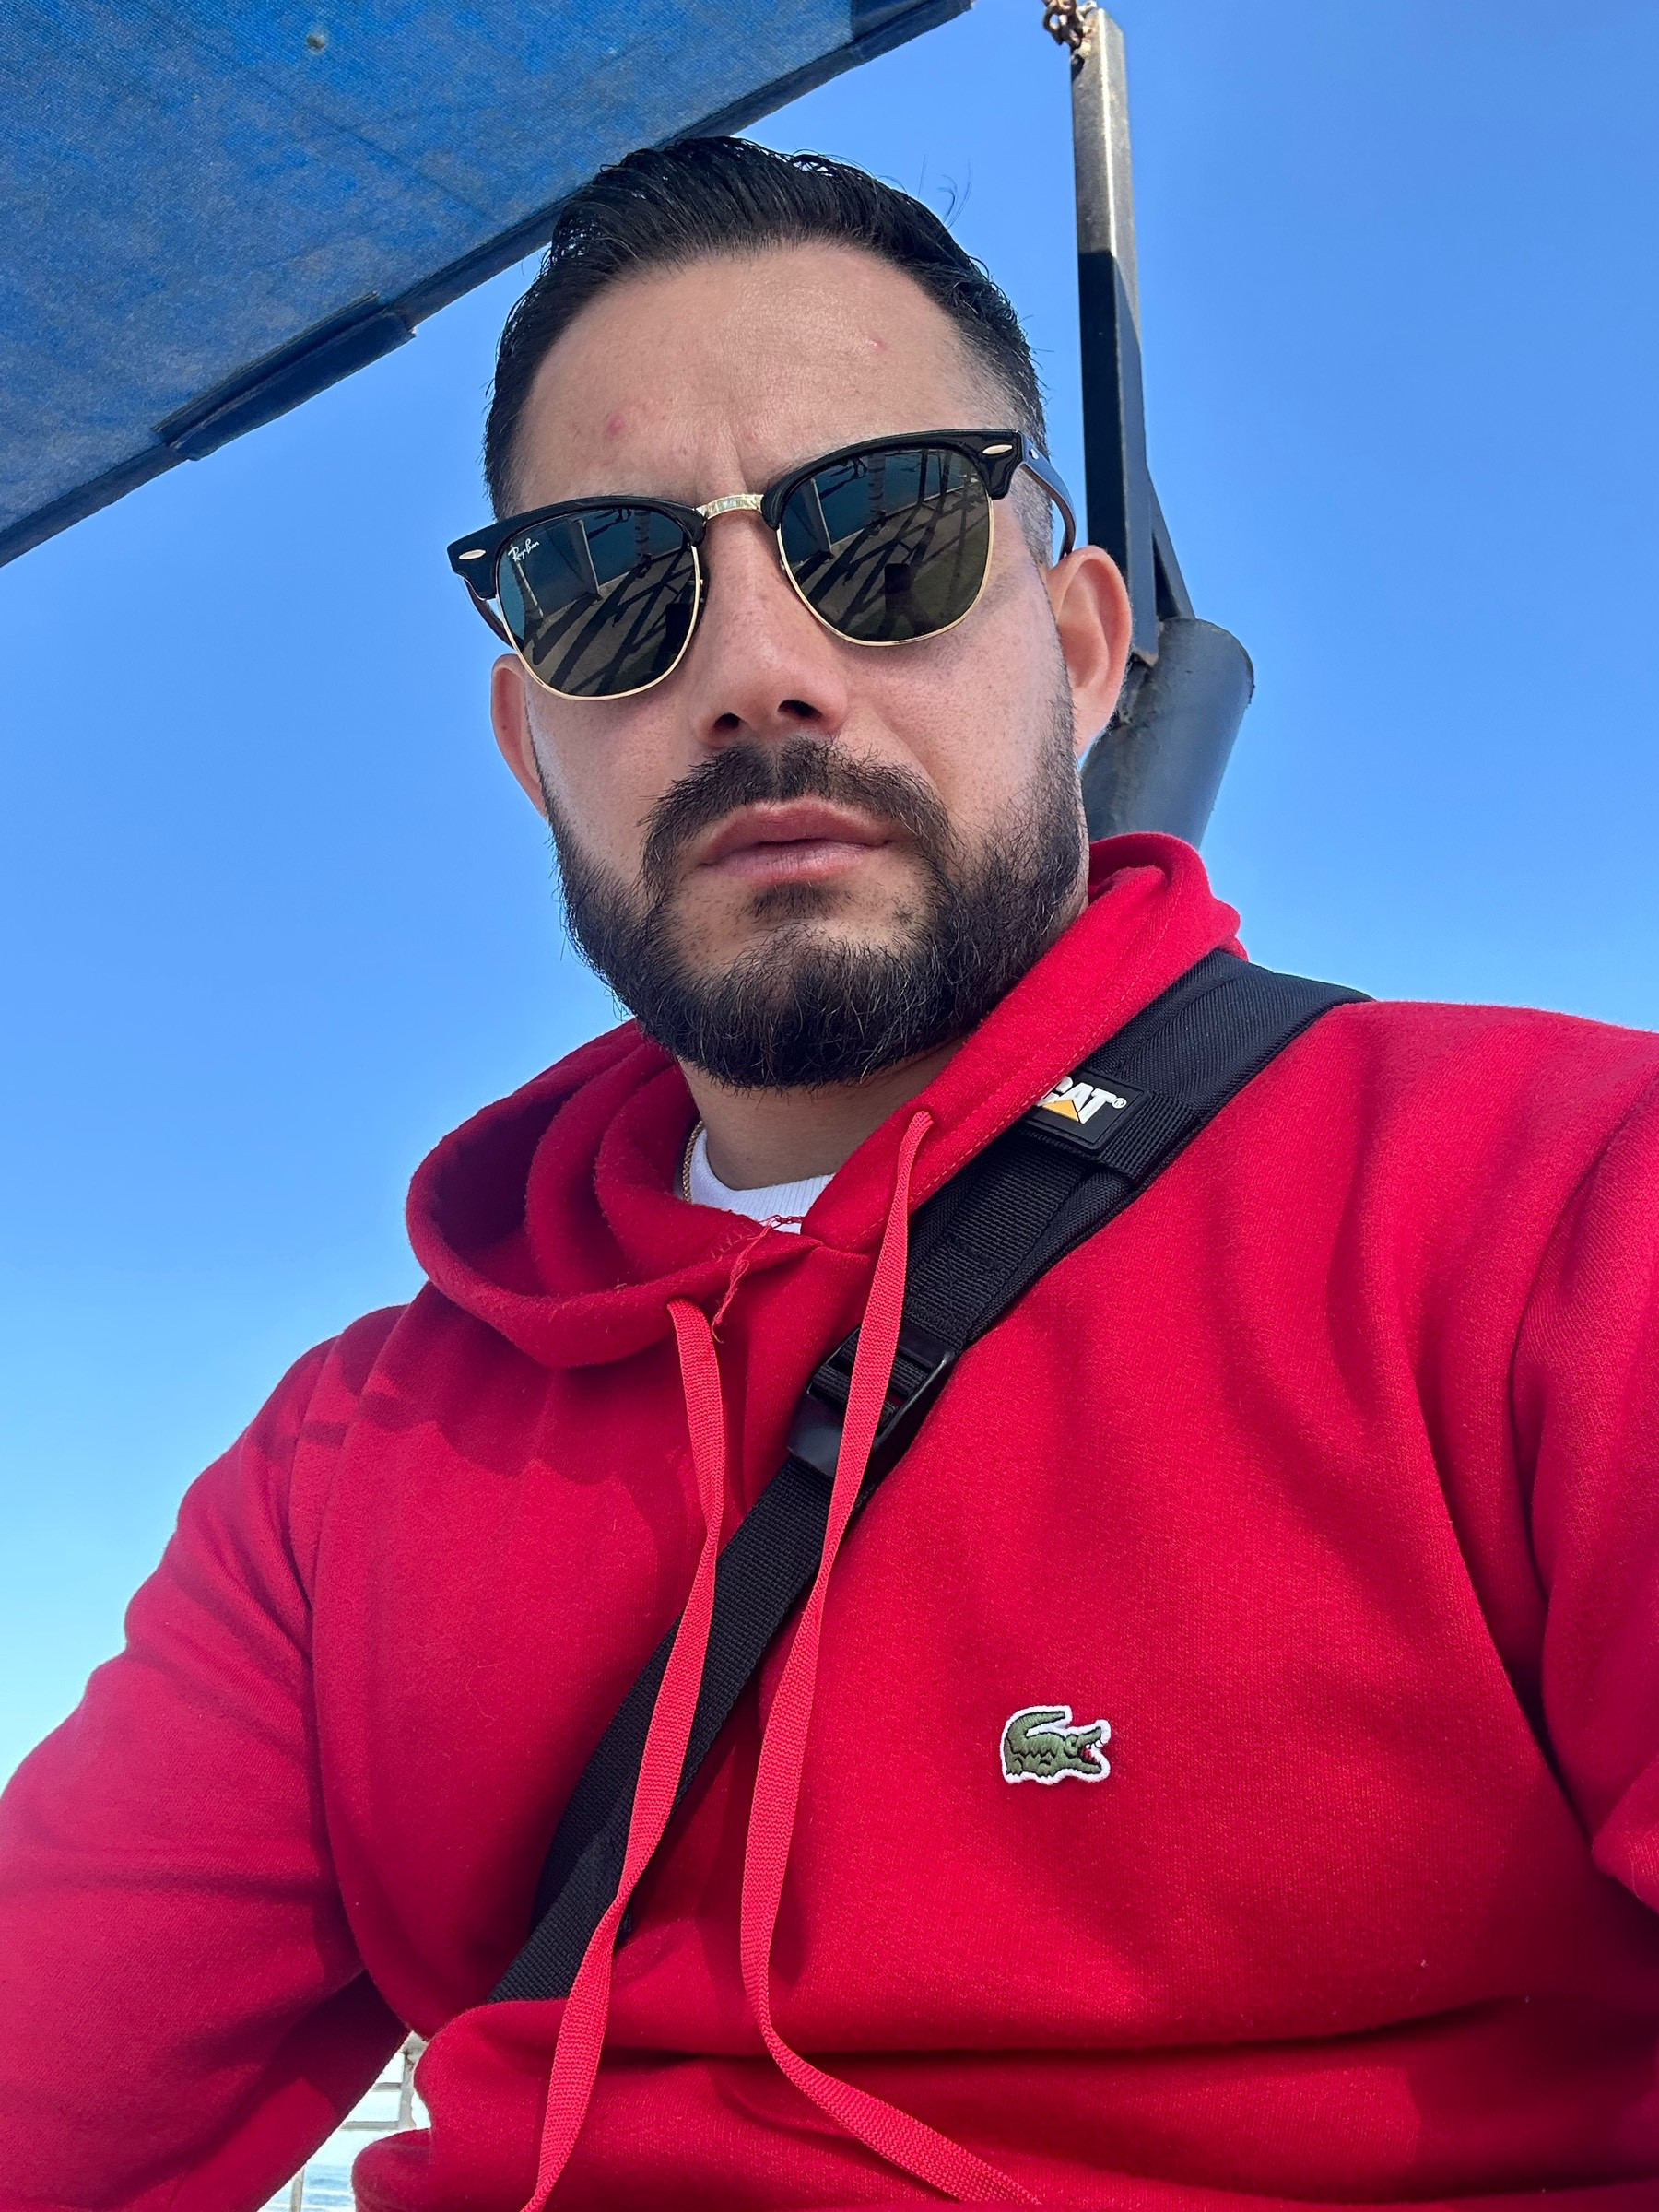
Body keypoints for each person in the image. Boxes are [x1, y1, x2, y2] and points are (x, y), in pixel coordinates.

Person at [2, 135, 1657, 2212]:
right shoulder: (349, 1468)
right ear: (530, 741)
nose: (757, 672)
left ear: (1080, 650)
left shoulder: (1563, 1209)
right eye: (612, 590)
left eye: (883, 536)